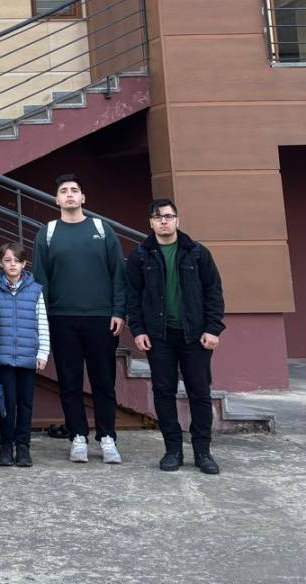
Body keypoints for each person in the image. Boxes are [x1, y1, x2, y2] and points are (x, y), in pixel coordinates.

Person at [125, 198, 226, 475]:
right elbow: (133, 296)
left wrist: (213, 328)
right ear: (151, 223)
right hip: (159, 337)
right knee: (163, 393)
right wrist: (138, 330)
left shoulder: (197, 253)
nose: (164, 221)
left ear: (177, 220)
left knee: (199, 393)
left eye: (168, 216)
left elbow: (214, 291)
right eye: (158, 217)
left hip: (196, 336)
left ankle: (203, 452)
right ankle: (172, 450)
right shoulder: (141, 256)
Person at [32, 174, 126, 464]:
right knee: (70, 382)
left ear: (83, 197)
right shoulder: (47, 233)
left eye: (74, 190)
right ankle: (78, 437)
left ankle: (107, 437)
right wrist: (43, 320)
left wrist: (118, 311)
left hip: (101, 318)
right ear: (57, 199)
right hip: (62, 319)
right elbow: (41, 280)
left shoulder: (101, 229)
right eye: (64, 191)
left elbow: (118, 274)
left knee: (103, 382)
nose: (70, 194)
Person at [0, 242, 49, 469]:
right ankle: (6, 446)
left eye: (17, 260)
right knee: (6, 404)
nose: (12, 264)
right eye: (7, 260)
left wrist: (42, 352)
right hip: (3, 356)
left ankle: (23, 446)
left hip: (27, 357)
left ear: (24, 264)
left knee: (25, 404)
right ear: (0, 263)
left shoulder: (35, 290)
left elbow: (42, 323)